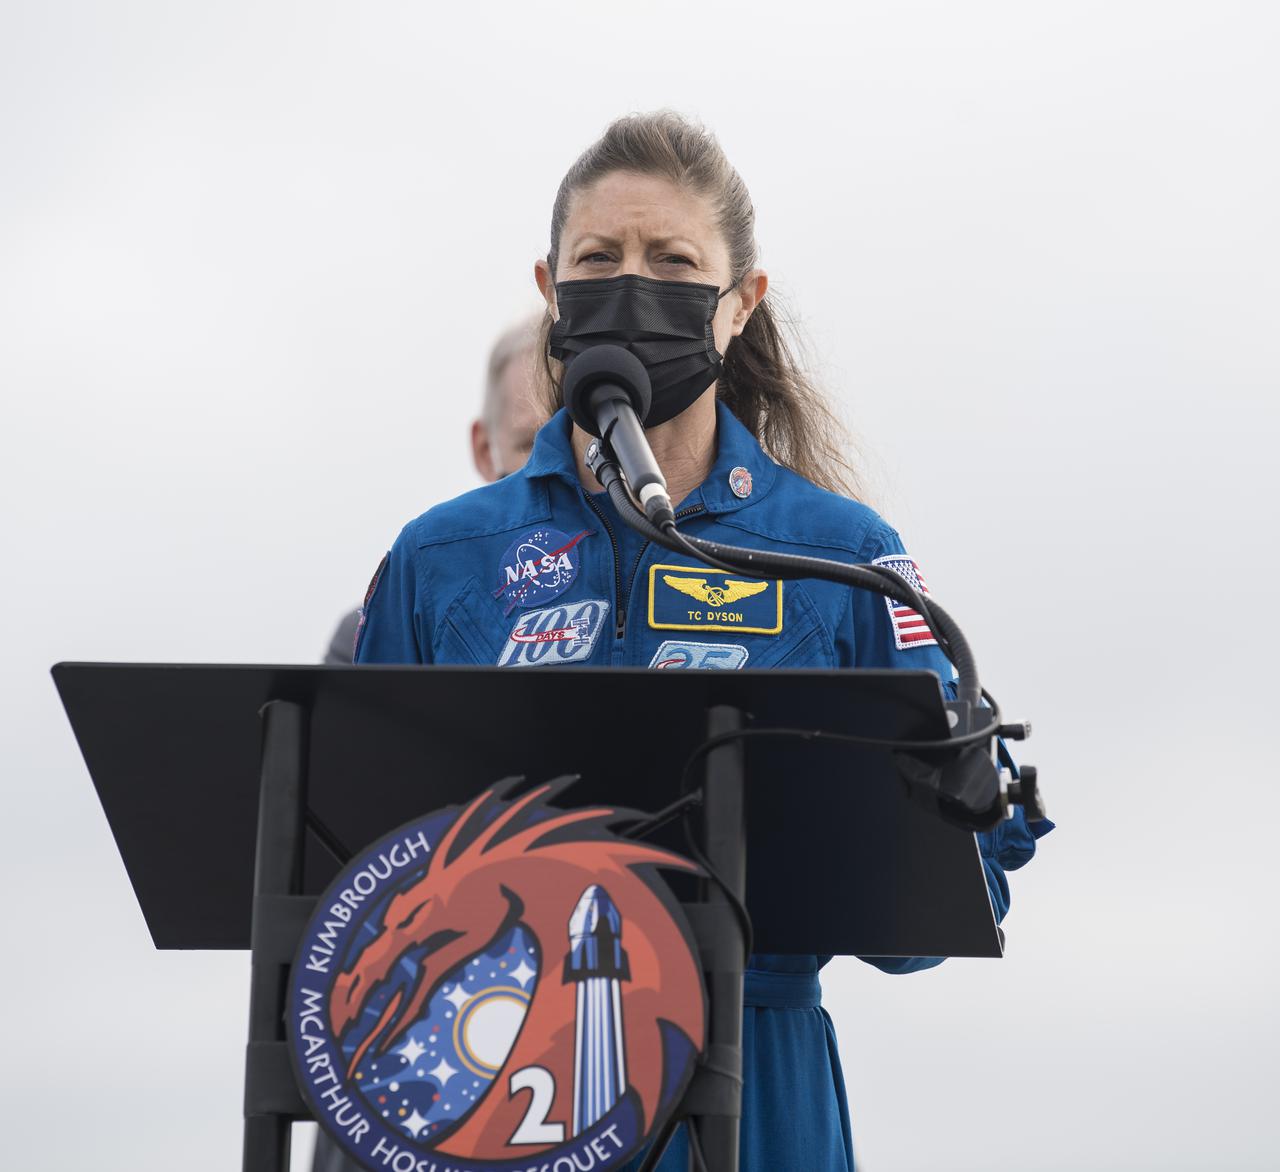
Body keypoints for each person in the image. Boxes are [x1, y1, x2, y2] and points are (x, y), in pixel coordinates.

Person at [354, 112, 1052, 1170]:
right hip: (499, 1073)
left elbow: (930, 926)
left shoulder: (840, 555)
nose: (631, 283)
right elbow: (355, 886)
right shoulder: (444, 555)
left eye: (672, 260)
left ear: (739, 306)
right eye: (599, 258)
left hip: (753, 1073)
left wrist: (938, 819)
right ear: (550, 290)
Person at [322, 315, 543, 664]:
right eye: (536, 444)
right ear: (485, 450)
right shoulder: (373, 636)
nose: (560, 461)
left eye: (579, 441)